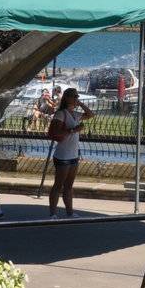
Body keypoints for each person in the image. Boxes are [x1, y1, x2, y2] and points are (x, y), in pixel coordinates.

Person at [47, 87, 93, 218]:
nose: (76, 98)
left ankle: (70, 212)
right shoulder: (61, 114)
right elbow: (55, 132)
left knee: (69, 186)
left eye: (77, 96)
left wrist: (81, 104)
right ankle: (52, 214)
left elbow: (90, 115)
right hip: (63, 154)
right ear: (67, 98)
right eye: (74, 96)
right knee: (58, 184)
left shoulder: (75, 114)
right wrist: (74, 130)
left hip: (73, 154)